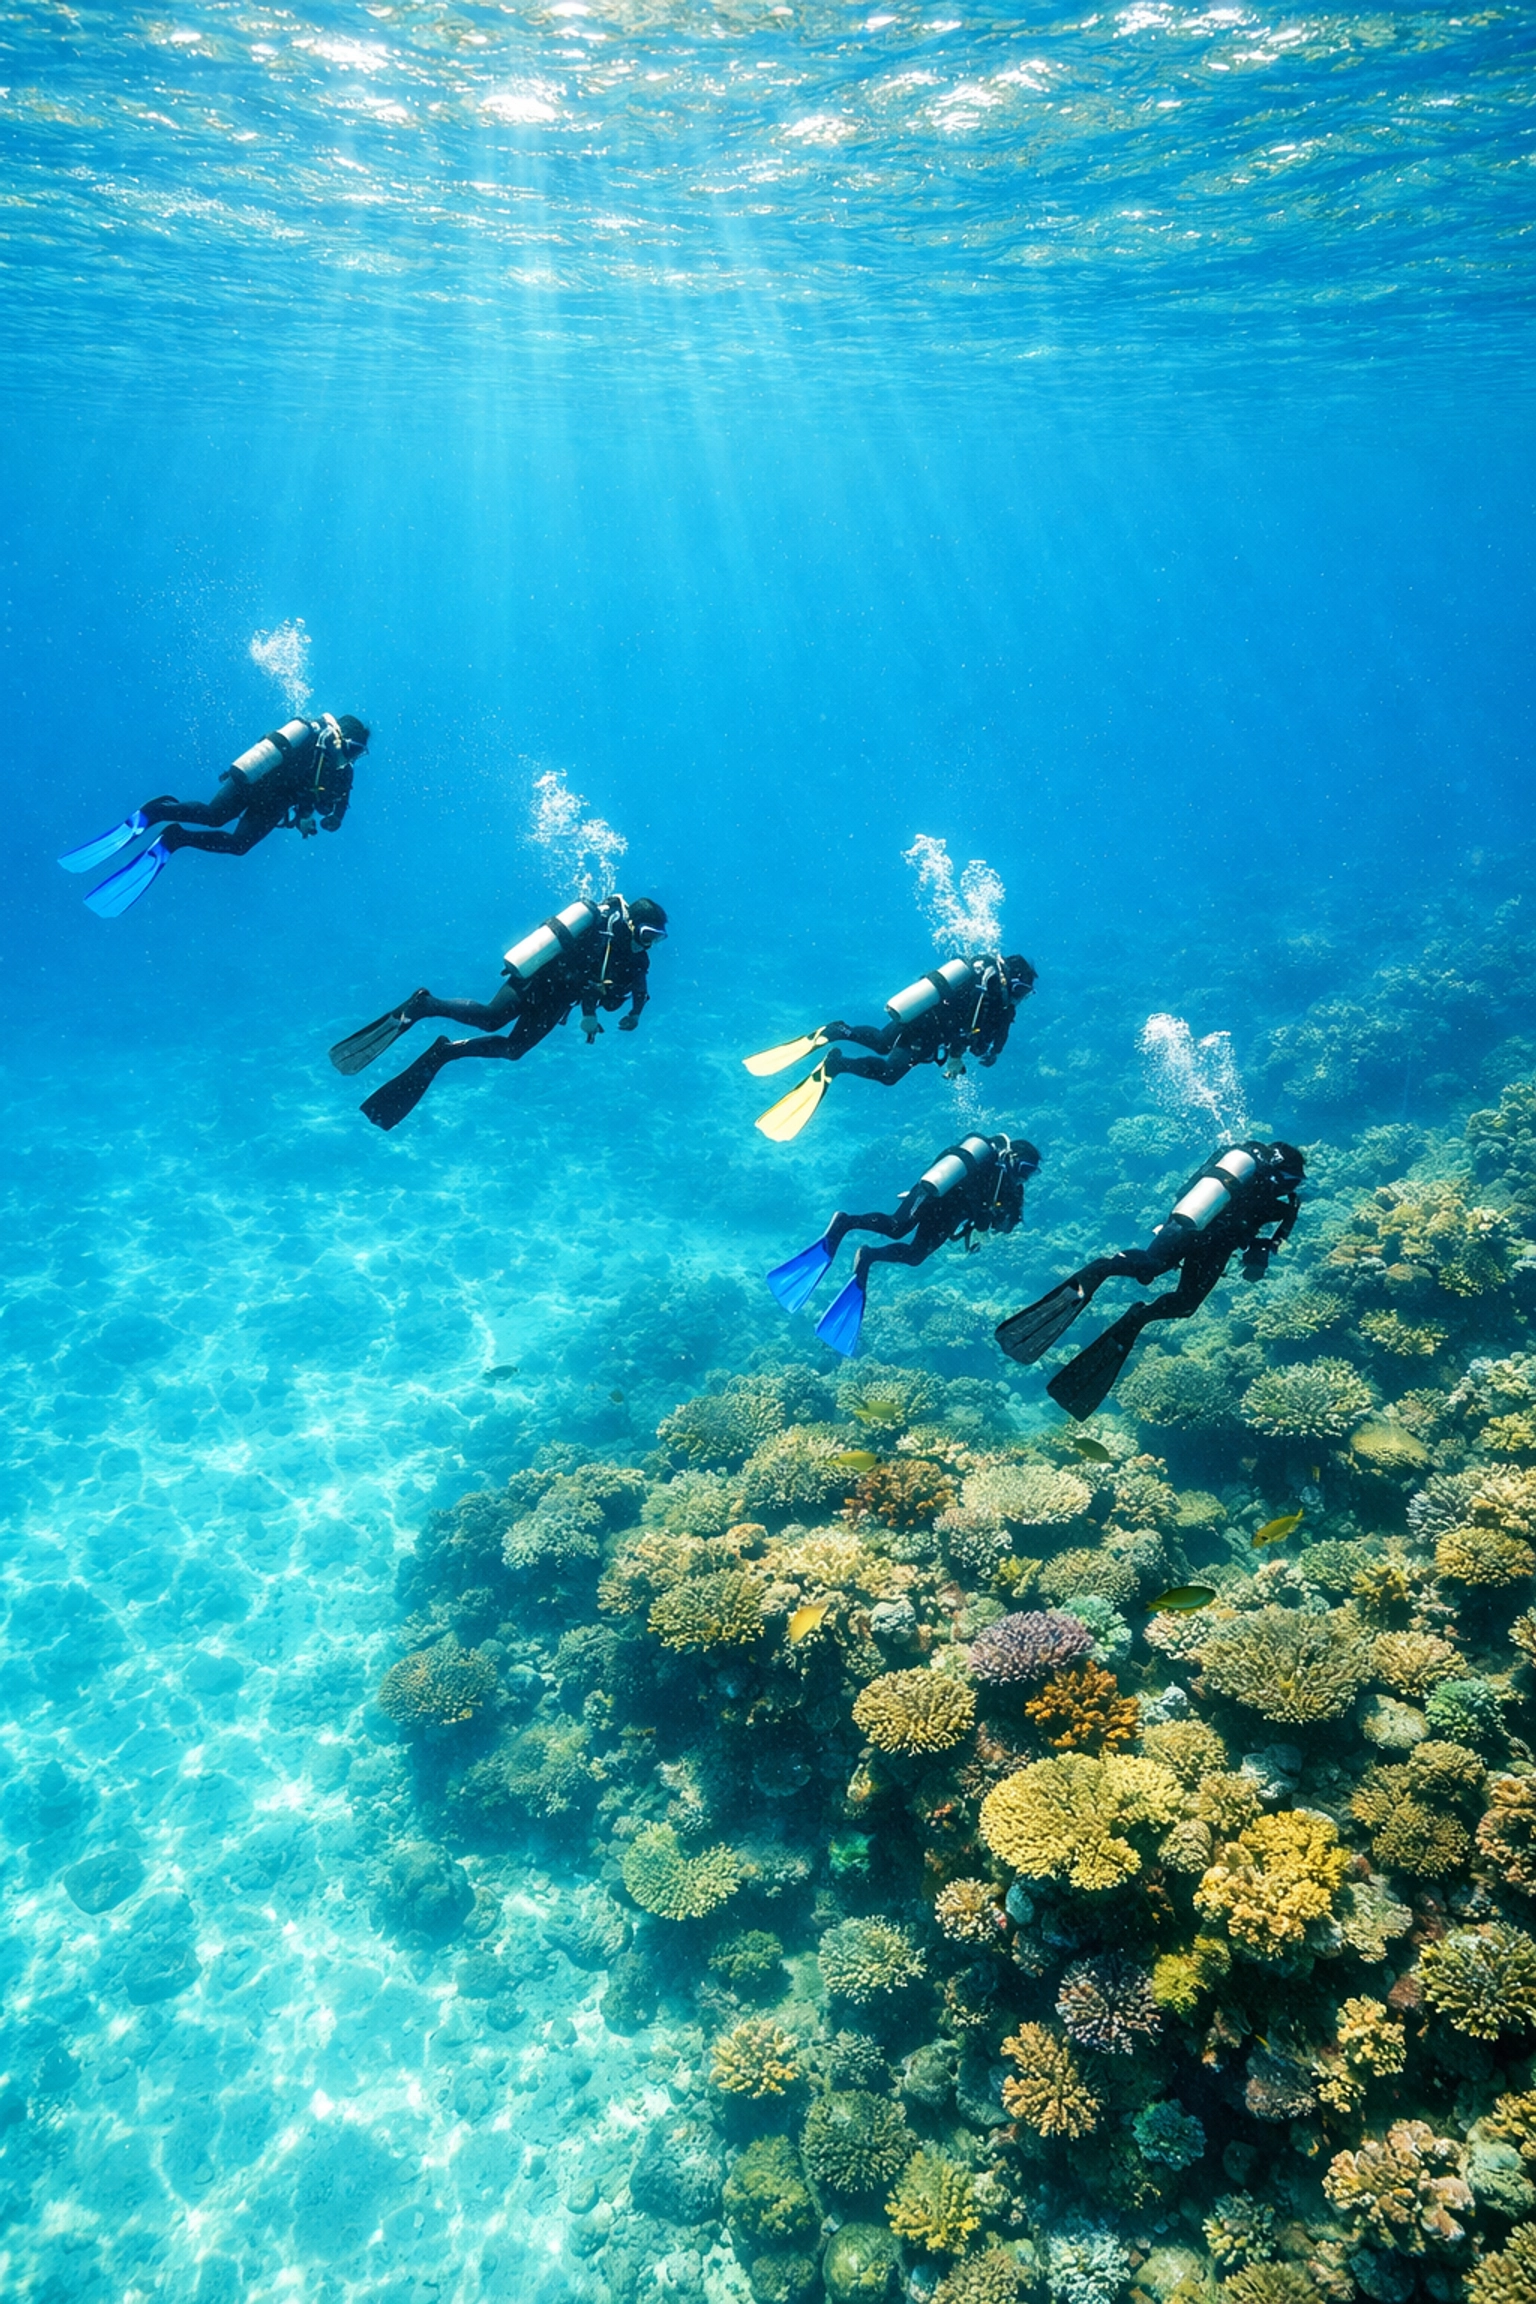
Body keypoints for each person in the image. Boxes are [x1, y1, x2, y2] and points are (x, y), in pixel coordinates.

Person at [996, 1140, 1306, 1419]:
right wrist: (1259, 1251)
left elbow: (1196, 1199)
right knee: (1175, 1294)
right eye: (1292, 1180)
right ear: (1282, 1172)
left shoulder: (1259, 1183)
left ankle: (1114, 1284)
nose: (1291, 1187)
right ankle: (1123, 1298)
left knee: (1156, 1272)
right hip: (1206, 1241)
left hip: (1189, 1229)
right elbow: (1256, 1235)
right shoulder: (1273, 1194)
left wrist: (1256, 1248)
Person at [329, 892, 669, 1133]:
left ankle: (444, 1052)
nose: (650, 941)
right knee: (491, 1017)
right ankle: (425, 1005)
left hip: (554, 1004)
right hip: (536, 983)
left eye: (658, 937)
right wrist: (589, 1012)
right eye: (648, 933)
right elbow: (586, 977)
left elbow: (638, 987)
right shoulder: (600, 935)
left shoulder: (637, 956)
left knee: (513, 1050)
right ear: (631, 922)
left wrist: (636, 1014)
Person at [59, 713, 371, 917]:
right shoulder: (311, 741)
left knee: (238, 846)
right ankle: (155, 812)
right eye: (353, 749)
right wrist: (305, 811)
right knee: (213, 815)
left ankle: (175, 837)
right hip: (252, 784)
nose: (351, 758)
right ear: (341, 737)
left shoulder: (342, 772)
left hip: (272, 805)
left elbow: (334, 804)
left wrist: (328, 819)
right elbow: (298, 774)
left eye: (358, 754)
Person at [768, 1131, 1042, 1358]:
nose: (1024, 1177)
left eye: (1030, 1174)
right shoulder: (988, 1162)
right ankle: (844, 1223)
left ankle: (868, 1257)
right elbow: (967, 1188)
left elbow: (1006, 1222)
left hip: (948, 1215)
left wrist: (996, 1219)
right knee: (897, 1227)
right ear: (1011, 1157)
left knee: (914, 1256)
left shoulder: (1010, 1187)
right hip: (934, 1196)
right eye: (1024, 1169)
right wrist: (982, 1214)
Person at [746, 952, 1037, 1141]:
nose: (1020, 999)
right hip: (928, 1030)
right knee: (888, 1073)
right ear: (1009, 979)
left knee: (882, 1042)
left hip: (920, 1017)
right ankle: (836, 1064)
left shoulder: (987, 987)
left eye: (1026, 994)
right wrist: (955, 1059)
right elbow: (967, 1030)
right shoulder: (985, 993)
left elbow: (976, 1034)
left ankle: (837, 1030)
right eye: (1021, 991)